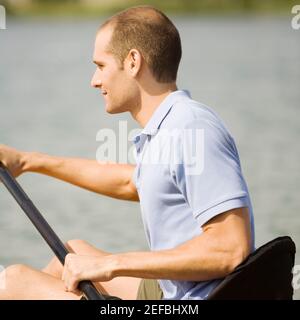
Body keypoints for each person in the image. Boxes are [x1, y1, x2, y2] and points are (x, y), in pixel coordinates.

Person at [0, 6, 254, 300]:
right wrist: (31, 161)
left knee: (13, 282)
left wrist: (111, 265)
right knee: (70, 255)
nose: (94, 80)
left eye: (101, 66)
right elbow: (132, 182)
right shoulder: (168, 126)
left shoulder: (190, 127)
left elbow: (230, 248)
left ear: (133, 61)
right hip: (175, 290)